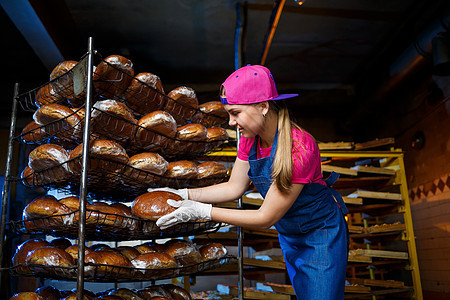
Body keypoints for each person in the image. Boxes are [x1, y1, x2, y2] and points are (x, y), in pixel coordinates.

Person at [154, 65, 349, 299]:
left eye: (235, 113)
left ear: (263, 107)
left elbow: (266, 217)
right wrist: (184, 195)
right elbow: (234, 188)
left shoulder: (299, 148)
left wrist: (202, 212)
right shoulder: (250, 139)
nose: (231, 122)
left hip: (320, 233)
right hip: (290, 233)